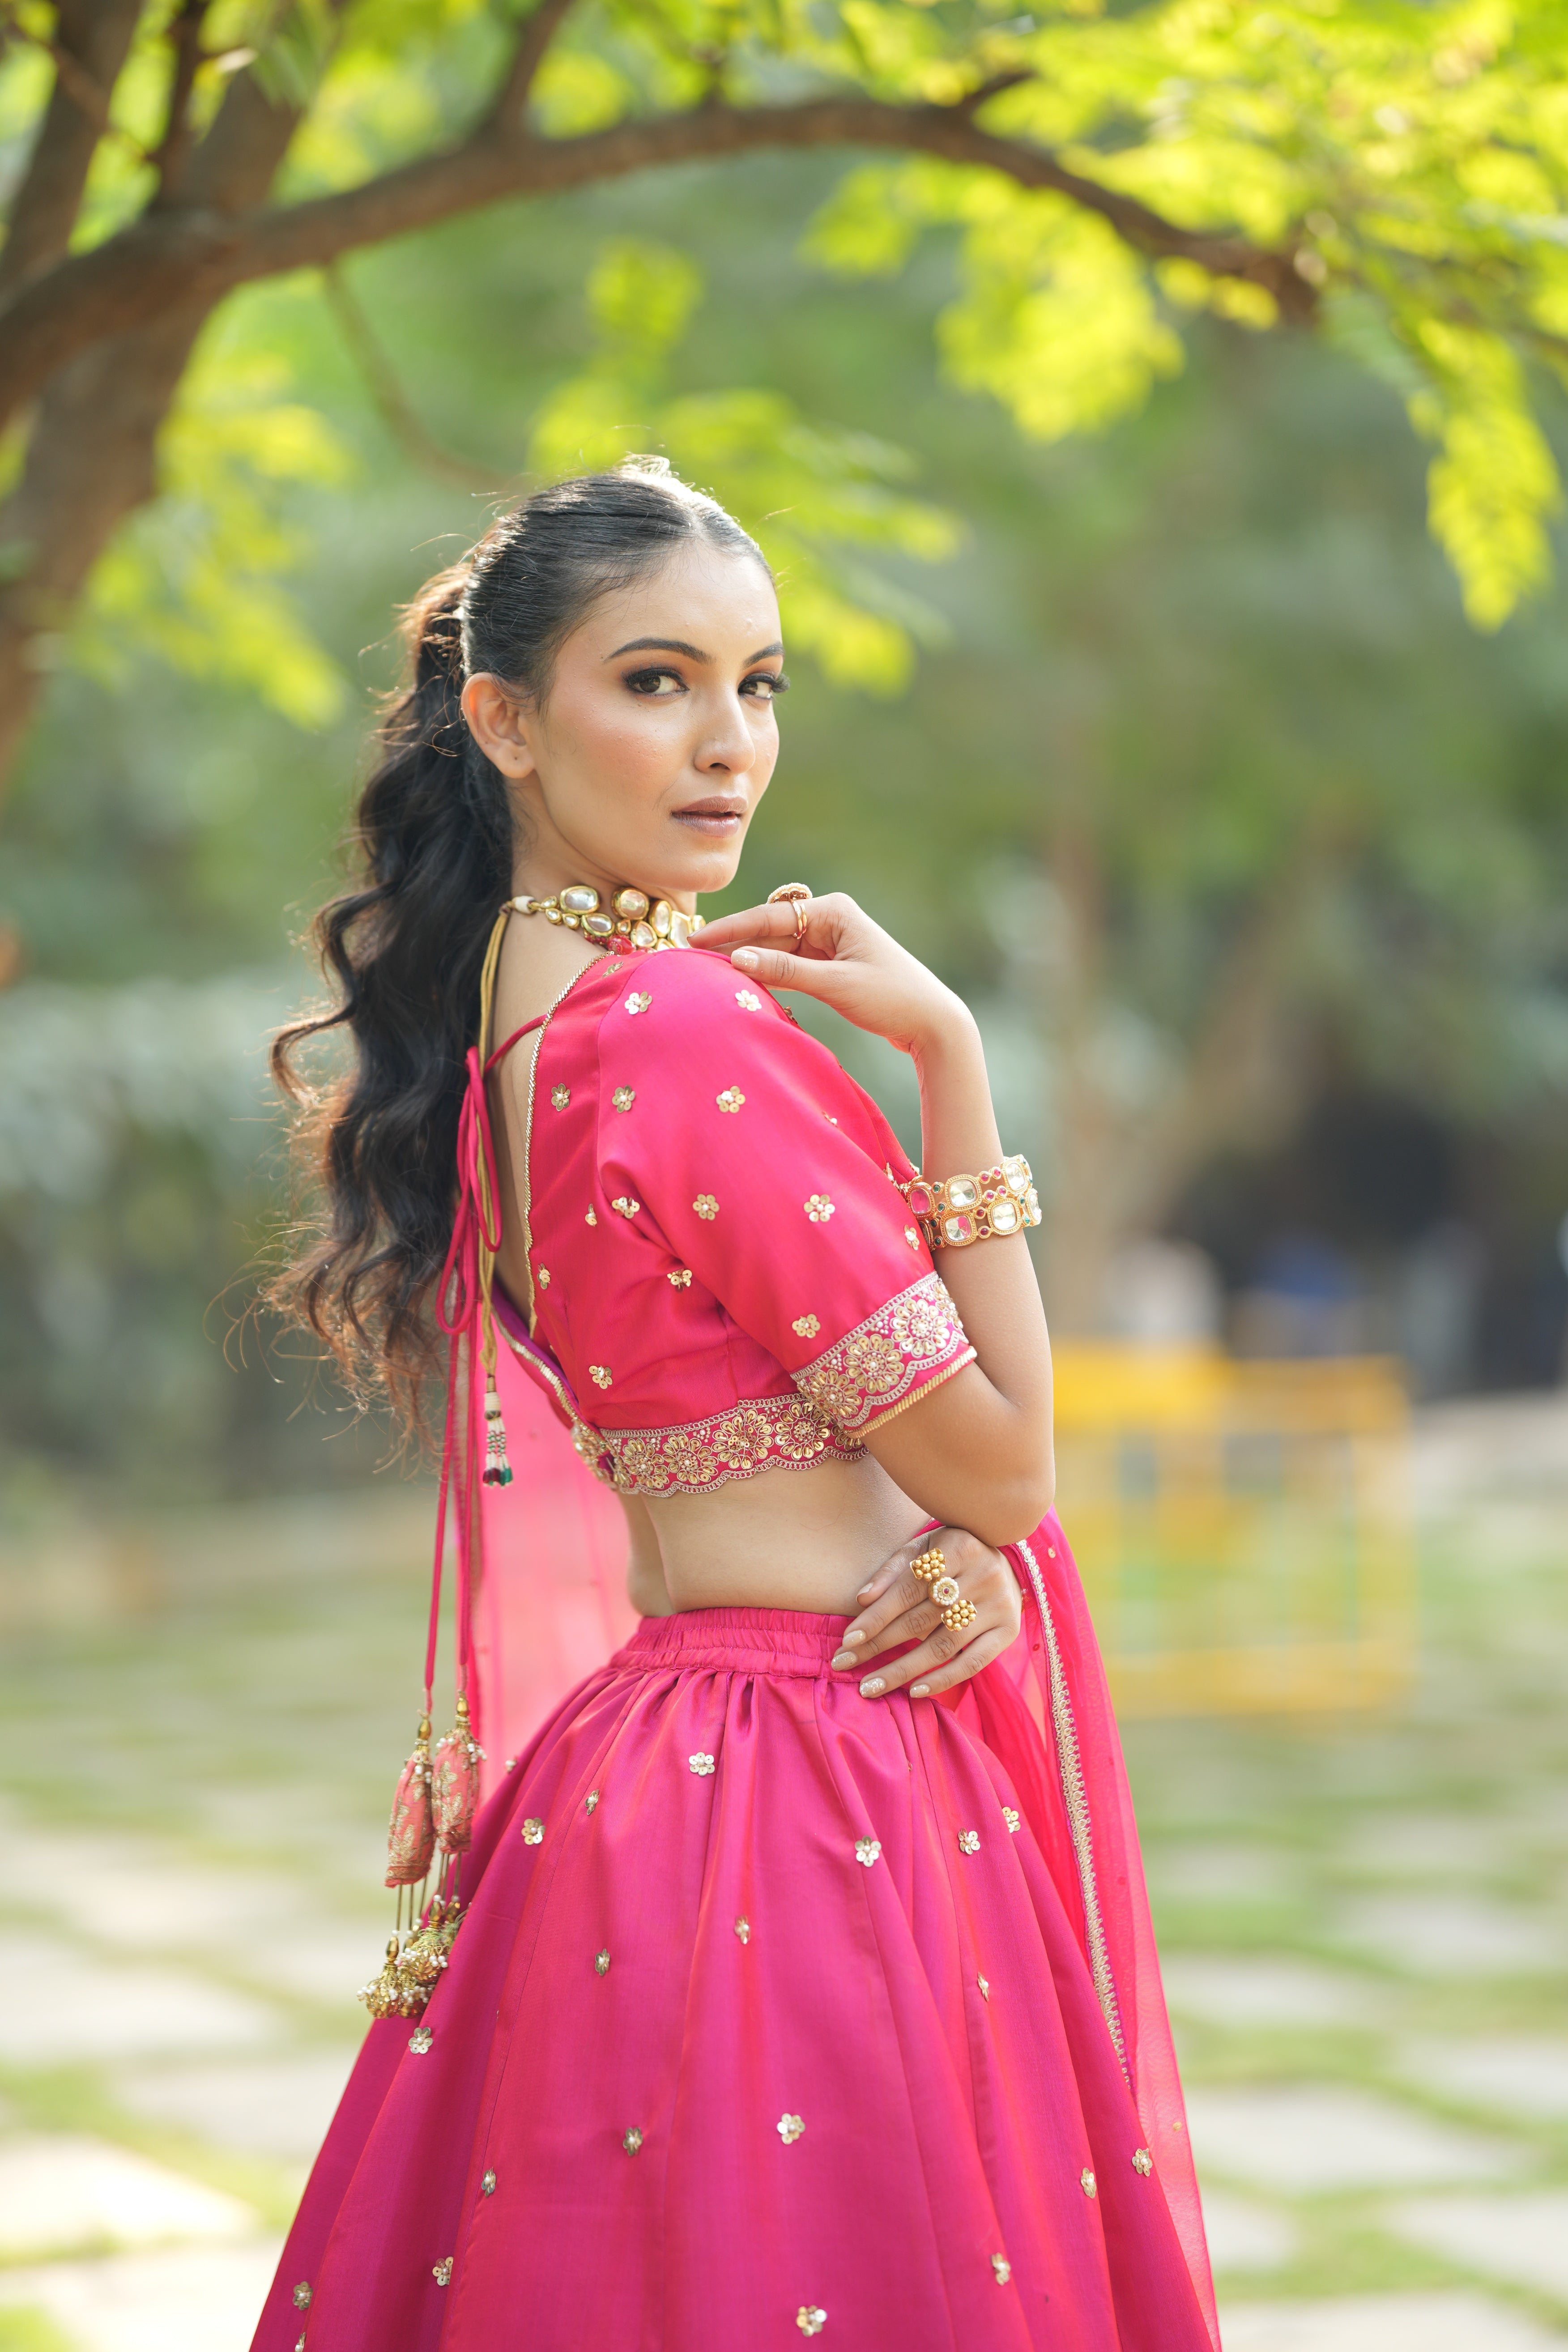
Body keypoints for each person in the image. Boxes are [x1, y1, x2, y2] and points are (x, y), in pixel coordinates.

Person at [254, 461, 1218, 2352]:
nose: (728, 745)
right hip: (824, 1777)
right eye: (660, 681)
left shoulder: (506, 1053)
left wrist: (959, 1537)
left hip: (656, 1773)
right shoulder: (681, 1034)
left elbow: (836, 1451)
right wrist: (948, 1063)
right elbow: (1010, 1466)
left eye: (760, 686)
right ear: (505, 718)